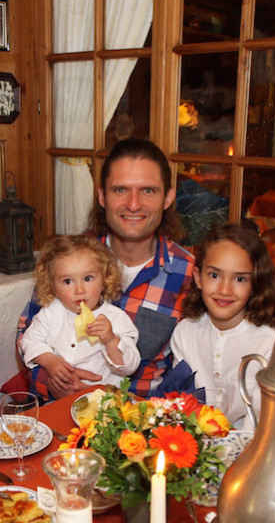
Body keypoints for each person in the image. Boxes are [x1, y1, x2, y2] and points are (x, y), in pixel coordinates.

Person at [17, 138, 195, 400]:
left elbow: (191, 369)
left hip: (137, 420)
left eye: (148, 190)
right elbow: (27, 333)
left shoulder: (189, 275)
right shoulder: (69, 259)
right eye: (120, 190)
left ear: (168, 197)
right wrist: (53, 382)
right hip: (59, 412)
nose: (133, 204)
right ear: (102, 195)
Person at [171, 223, 275, 431]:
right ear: (198, 277)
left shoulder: (270, 345)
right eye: (214, 275)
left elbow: (260, 426)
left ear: (255, 284)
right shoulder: (185, 333)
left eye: (240, 279)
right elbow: (181, 403)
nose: (225, 290)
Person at [19, 235, 140, 390]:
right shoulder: (50, 312)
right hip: (59, 396)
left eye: (88, 278)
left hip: (103, 400)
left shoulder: (116, 318)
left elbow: (129, 366)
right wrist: (50, 362)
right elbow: (29, 341)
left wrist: (110, 340)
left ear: (104, 280)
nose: (79, 290)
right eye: (68, 281)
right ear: (53, 287)